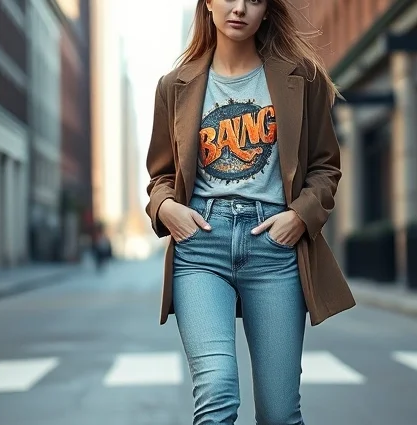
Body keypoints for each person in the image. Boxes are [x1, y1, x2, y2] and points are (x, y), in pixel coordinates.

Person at [145, 0, 356, 423]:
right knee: (217, 392)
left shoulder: (303, 77)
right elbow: (161, 174)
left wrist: (300, 215)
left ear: (266, 10)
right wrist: (166, 207)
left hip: (274, 249)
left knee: (279, 413)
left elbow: (325, 167)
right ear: (208, 2)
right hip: (201, 247)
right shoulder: (174, 86)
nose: (239, 8)